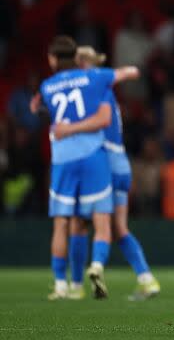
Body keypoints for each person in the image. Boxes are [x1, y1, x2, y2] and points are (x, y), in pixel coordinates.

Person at [52, 46, 160, 300]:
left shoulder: (91, 89)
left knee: (79, 224)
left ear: (82, 65)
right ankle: (146, 279)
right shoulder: (107, 88)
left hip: (104, 164)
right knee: (120, 228)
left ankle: (79, 283)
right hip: (122, 162)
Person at [37, 37, 116, 299]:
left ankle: (62, 284)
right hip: (93, 154)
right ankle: (85, 276)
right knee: (91, 221)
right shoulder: (95, 81)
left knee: (62, 222)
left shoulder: (48, 85)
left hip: (62, 158)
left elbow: (39, 106)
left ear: (53, 58)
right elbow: (105, 114)